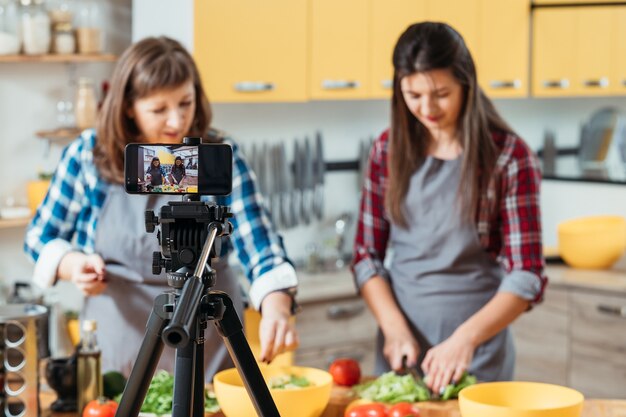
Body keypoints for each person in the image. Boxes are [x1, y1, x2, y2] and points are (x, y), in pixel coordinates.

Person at [24, 36, 299, 380]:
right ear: (128, 106)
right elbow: (40, 237)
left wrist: (276, 306)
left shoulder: (218, 156)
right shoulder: (89, 154)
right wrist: (72, 264)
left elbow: (259, 243)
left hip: (209, 340)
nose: (176, 121)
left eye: (186, 102)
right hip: (121, 343)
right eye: (158, 109)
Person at [351, 22, 546, 394]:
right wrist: (393, 328)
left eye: (441, 93)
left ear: (466, 85)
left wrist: (466, 339)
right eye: (413, 94)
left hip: (477, 354)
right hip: (400, 352)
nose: (427, 107)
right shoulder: (386, 151)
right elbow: (365, 257)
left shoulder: (509, 157)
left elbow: (527, 274)